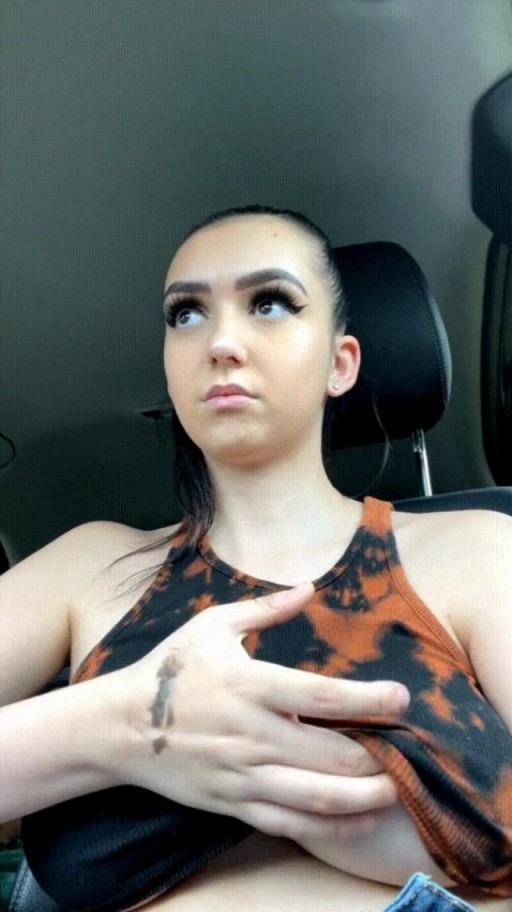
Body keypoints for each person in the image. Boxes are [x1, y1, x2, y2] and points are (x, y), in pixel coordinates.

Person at [0, 205, 511, 912]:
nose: (221, 342)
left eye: (269, 303)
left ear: (340, 363)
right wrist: (129, 722)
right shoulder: (89, 567)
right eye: (186, 314)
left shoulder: (478, 547)